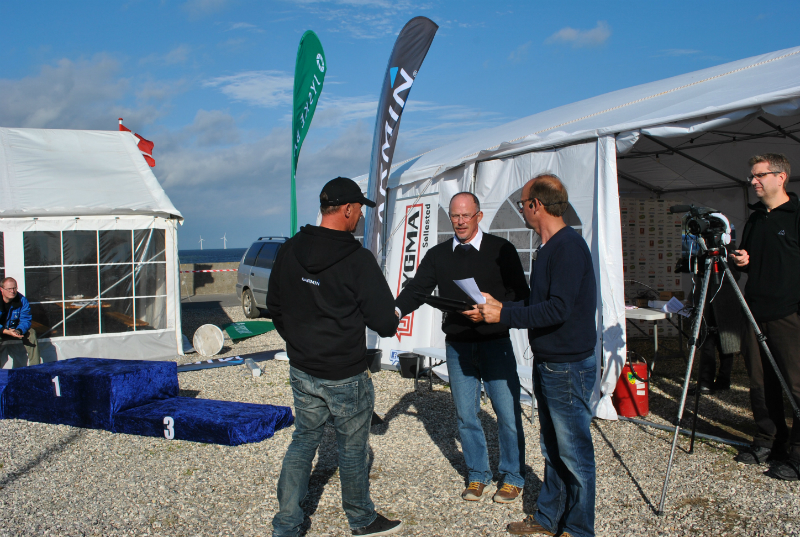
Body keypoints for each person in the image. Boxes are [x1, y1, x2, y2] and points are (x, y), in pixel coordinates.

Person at [267, 177, 403, 536]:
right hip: (345, 374)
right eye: (359, 210)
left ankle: (286, 524)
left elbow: (275, 306)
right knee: (353, 450)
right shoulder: (357, 259)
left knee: (303, 440)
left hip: (303, 368)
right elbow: (384, 323)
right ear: (347, 209)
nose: (360, 217)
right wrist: (394, 314)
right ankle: (361, 519)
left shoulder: (290, 248)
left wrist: (299, 343)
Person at [479, 174, 597, 537]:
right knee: (552, 447)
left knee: (573, 452)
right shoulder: (550, 247)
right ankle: (548, 519)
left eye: (523, 203)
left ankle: (579, 529)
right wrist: (503, 306)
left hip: (568, 365)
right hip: (552, 362)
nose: (521, 210)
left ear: (536, 205)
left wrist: (504, 316)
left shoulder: (567, 248)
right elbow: (538, 303)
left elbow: (558, 309)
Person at [395, 192, 530, 503]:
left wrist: (494, 309)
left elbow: (521, 294)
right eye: (455, 216)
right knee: (466, 416)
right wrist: (396, 311)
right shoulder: (439, 254)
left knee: (507, 414)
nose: (460, 221)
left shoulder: (502, 249)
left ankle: (512, 476)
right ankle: (478, 474)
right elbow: (417, 289)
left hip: (495, 343)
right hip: (458, 346)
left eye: (466, 215)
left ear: (479, 216)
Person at [730, 153, 800, 482]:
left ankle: (798, 453)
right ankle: (769, 440)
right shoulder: (756, 218)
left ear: (780, 177)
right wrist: (742, 260)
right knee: (760, 382)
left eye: (760, 175)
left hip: (789, 314)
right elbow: (749, 259)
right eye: (752, 176)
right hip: (755, 312)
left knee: (796, 384)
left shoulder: (796, 215)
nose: (754, 181)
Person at [0, 277, 41, 368]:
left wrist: (19, 330)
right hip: (2, 330)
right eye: (9, 289)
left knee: (31, 333)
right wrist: (6, 331)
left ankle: (35, 369)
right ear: (1, 289)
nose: (12, 291)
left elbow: (26, 320)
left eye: (14, 288)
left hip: (14, 329)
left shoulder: (22, 300)